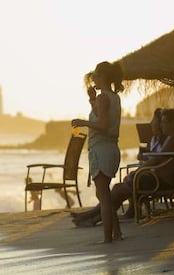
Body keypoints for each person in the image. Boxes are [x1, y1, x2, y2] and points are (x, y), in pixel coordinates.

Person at [72, 109, 174, 230]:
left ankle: (90, 216)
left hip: (160, 181)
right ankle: (92, 217)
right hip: (155, 178)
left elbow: (156, 159)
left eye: (165, 122)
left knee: (118, 190)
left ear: (173, 123)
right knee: (118, 190)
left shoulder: (173, 140)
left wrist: (138, 171)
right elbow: (156, 159)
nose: (162, 125)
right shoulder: (170, 139)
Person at [71, 61, 124, 243]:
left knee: (103, 195)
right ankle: (116, 233)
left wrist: (82, 122)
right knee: (104, 195)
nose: (93, 79)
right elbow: (103, 116)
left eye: (96, 76)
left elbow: (102, 125)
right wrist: (92, 99)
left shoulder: (104, 98)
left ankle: (107, 238)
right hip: (111, 149)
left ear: (102, 77)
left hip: (101, 150)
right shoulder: (113, 97)